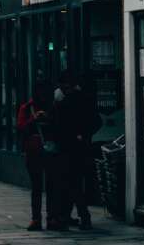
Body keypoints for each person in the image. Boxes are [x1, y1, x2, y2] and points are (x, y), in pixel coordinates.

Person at [51, 70, 94, 231]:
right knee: (71, 183)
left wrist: (81, 134)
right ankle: (68, 216)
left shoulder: (68, 101)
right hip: (75, 147)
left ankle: (83, 216)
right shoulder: (79, 99)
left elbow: (59, 124)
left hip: (69, 148)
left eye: (62, 85)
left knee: (71, 184)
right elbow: (94, 121)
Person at [17, 80, 53, 231]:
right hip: (33, 153)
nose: (42, 95)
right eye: (40, 92)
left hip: (51, 151)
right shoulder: (26, 108)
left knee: (52, 187)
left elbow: (60, 126)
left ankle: (52, 218)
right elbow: (20, 128)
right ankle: (36, 219)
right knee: (37, 187)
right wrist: (33, 119)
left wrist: (49, 118)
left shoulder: (53, 107)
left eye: (44, 92)